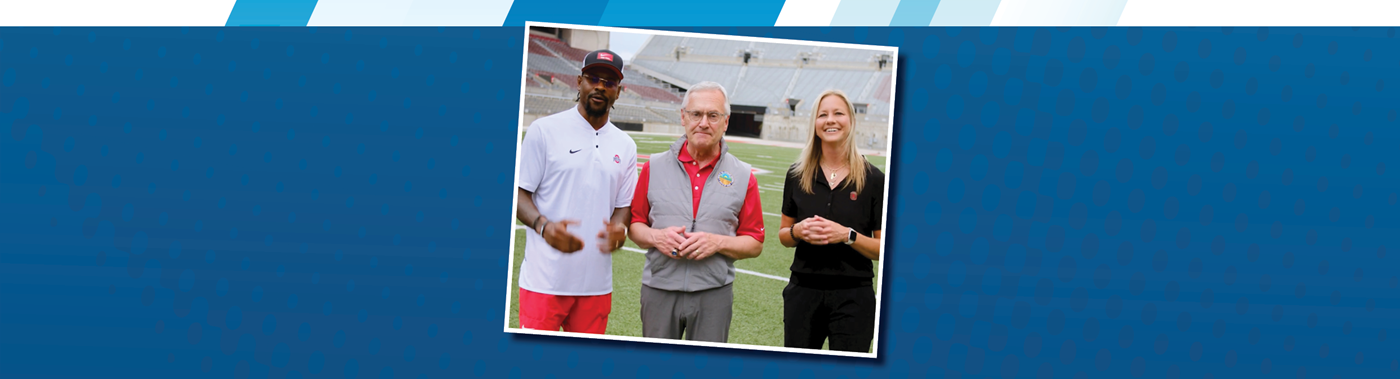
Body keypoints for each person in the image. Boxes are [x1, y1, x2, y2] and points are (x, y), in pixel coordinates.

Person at [627, 81, 764, 342]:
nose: (703, 123)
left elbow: (755, 242)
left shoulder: (744, 175)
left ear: (725, 122)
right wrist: (657, 237)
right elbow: (635, 225)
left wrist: (717, 242)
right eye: (696, 114)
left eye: (713, 115)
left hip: (714, 293)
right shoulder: (653, 166)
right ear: (683, 117)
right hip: (659, 289)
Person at [513, 49, 637, 334]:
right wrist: (544, 226)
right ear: (579, 81)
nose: (600, 87)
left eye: (609, 82)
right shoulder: (544, 130)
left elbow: (623, 205)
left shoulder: (626, 145)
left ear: (619, 91)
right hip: (544, 281)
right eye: (593, 78)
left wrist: (620, 229)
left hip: (596, 285)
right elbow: (519, 194)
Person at [777, 89, 885, 352]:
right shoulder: (796, 175)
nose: (830, 120)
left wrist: (847, 236)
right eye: (822, 115)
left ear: (851, 120)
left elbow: (883, 249)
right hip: (803, 291)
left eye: (838, 113)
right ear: (814, 124)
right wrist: (798, 231)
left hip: (853, 295)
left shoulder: (873, 179)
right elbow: (783, 235)